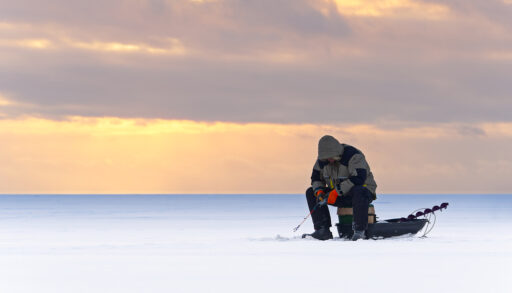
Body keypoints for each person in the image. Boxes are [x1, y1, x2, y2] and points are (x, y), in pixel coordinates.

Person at [306, 135, 377, 241]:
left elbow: (359, 179)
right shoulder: (322, 161)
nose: (329, 160)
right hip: (338, 194)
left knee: (360, 190)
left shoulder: (354, 155)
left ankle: (359, 231)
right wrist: (319, 192)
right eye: (326, 158)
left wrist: (336, 192)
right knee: (311, 192)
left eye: (331, 157)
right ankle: (322, 230)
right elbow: (315, 178)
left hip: (362, 193)